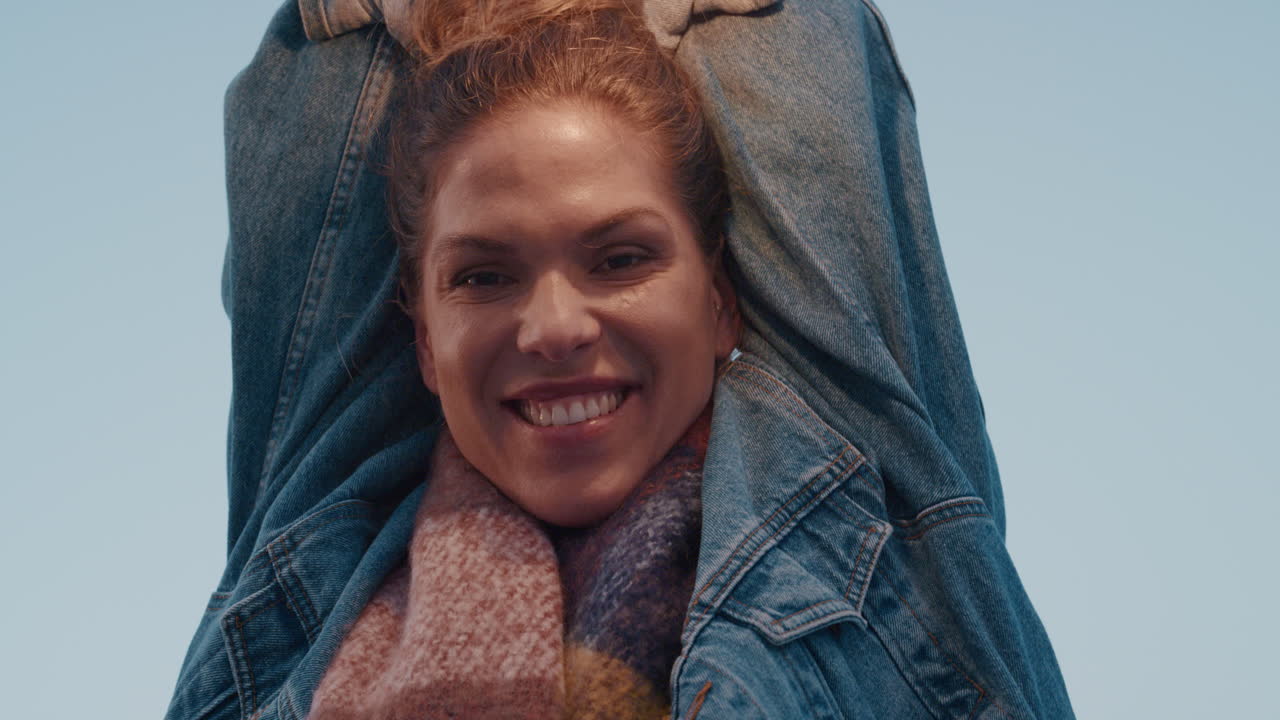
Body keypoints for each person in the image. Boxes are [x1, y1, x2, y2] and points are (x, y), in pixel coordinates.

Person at [165, 0, 1075, 718]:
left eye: (621, 258)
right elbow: (321, 76)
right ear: (424, 346)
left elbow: (797, 44)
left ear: (721, 300)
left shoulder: (875, 516)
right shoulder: (314, 565)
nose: (553, 327)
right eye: (485, 276)